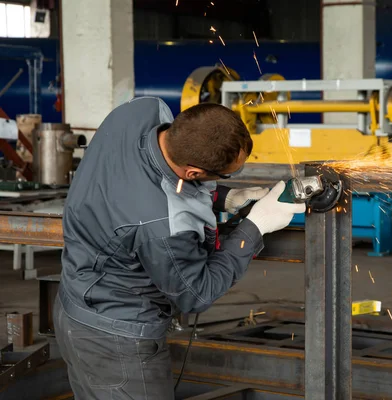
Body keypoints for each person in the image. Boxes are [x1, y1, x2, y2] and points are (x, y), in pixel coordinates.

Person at [53, 97, 305, 400]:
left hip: (76, 304)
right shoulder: (162, 225)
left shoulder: (140, 111)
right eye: (225, 176)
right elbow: (196, 292)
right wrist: (256, 226)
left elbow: (161, 179)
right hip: (116, 341)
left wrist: (223, 196)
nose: (224, 180)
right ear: (193, 174)